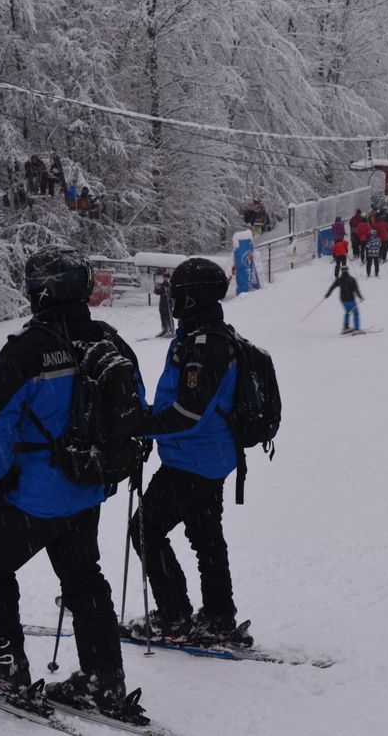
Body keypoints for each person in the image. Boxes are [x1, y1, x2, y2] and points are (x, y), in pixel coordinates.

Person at [0, 244, 146, 709]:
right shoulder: (110, 341)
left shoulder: (29, 349)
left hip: (34, 495)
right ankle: (104, 678)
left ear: (38, 291)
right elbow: (134, 411)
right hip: (87, 487)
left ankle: (4, 671)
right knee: (85, 578)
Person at [125, 257, 253, 648]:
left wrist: (140, 425)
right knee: (205, 536)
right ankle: (217, 616)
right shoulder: (204, 335)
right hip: (207, 456)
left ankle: (175, 615)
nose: (171, 300)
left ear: (193, 298)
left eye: (176, 294)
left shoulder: (205, 345)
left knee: (145, 529)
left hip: (192, 460)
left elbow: (188, 412)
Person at [326, 262, 363, 333]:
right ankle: (357, 329)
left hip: (343, 300)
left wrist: (328, 294)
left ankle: (346, 327)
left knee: (347, 312)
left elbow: (332, 287)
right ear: (347, 270)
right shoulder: (352, 279)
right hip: (351, 299)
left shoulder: (339, 279)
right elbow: (356, 289)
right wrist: (360, 297)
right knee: (355, 313)